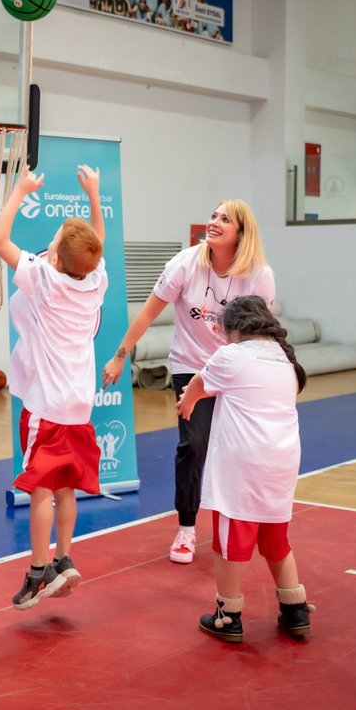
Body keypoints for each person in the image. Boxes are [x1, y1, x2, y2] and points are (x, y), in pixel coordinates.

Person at [100, 199, 274, 564]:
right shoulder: (184, 264)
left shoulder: (258, 275)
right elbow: (148, 311)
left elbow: (263, 335)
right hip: (190, 367)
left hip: (237, 371)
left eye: (225, 219)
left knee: (237, 451)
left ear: (241, 233)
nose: (214, 222)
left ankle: (238, 522)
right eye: (214, 216)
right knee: (194, 446)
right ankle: (186, 529)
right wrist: (119, 357)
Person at [0, 164, 107, 610]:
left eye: (53, 241)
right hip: (78, 405)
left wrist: (19, 191)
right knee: (65, 487)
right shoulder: (95, 281)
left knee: (39, 488)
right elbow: (97, 244)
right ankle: (65, 558)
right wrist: (94, 194)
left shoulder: (44, 279)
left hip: (46, 406)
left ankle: (37, 572)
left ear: (54, 259)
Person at [175, 295, 314, 642]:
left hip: (243, 466)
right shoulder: (285, 357)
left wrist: (187, 403)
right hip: (281, 463)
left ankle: (228, 614)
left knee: (229, 544)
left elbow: (197, 383)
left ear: (234, 329)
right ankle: (294, 607)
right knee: (276, 539)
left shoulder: (232, 355)